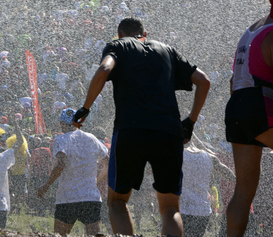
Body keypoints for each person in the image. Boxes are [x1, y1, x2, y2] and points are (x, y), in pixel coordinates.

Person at [73, 17, 210, 237]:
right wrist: (191, 122)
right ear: (144, 33)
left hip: (131, 128)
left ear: (119, 33)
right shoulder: (167, 50)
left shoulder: (118, 46)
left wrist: (86, 108)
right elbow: (204, 81)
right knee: (170, 208)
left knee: (117, 201)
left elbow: (103, 70)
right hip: (169, 130)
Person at [224, 0, 273, 237]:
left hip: (238, 107)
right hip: (260, 104)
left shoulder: (252, 28)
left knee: (243, 193)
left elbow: (233, 81)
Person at [38, 108, 108, 236]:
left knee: (60, 235)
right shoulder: (91, 138)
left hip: (67, 198)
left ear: (63, 124)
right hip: (90, 198)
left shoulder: (61, 139)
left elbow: (61, 164)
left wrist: (46, 185)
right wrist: (95, 182)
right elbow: (108, 165)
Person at [180, 141, 235, 237]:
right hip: (202, 212)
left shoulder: (175, 154)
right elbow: (231, 177)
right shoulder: (209, 157)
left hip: (181, 210)